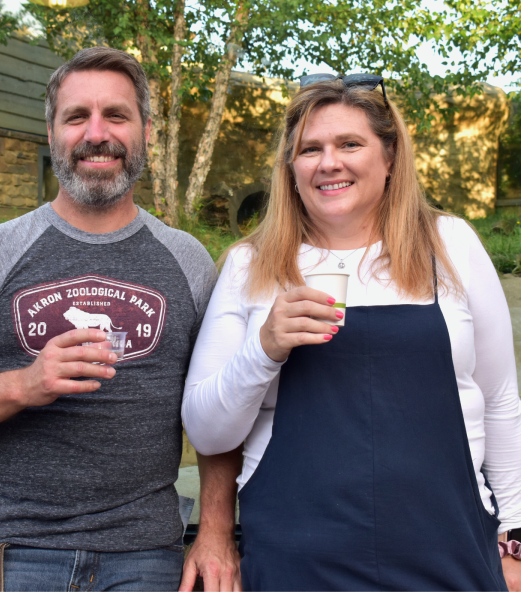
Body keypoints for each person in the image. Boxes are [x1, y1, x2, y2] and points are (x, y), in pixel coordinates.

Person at [182, 74, 521, 591]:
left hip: (450, 552)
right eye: (309, 149)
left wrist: (516, 533)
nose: (328, 162)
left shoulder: (450, 245)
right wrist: (264, 349)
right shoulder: (249, 266)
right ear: (290, 169)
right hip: (295, 558)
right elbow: (206, 430)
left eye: (349, 144)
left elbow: (499, 399)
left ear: (389, 158)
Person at [0, 47, 219, 591]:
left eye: (117, 115)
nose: (96, 133)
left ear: (146, 131)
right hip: (11, 553)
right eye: (77, 116)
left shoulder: (188, 262)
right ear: (52, 133)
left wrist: (218, 531)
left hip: (146, 556)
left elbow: (222, 414)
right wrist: (25, 384)